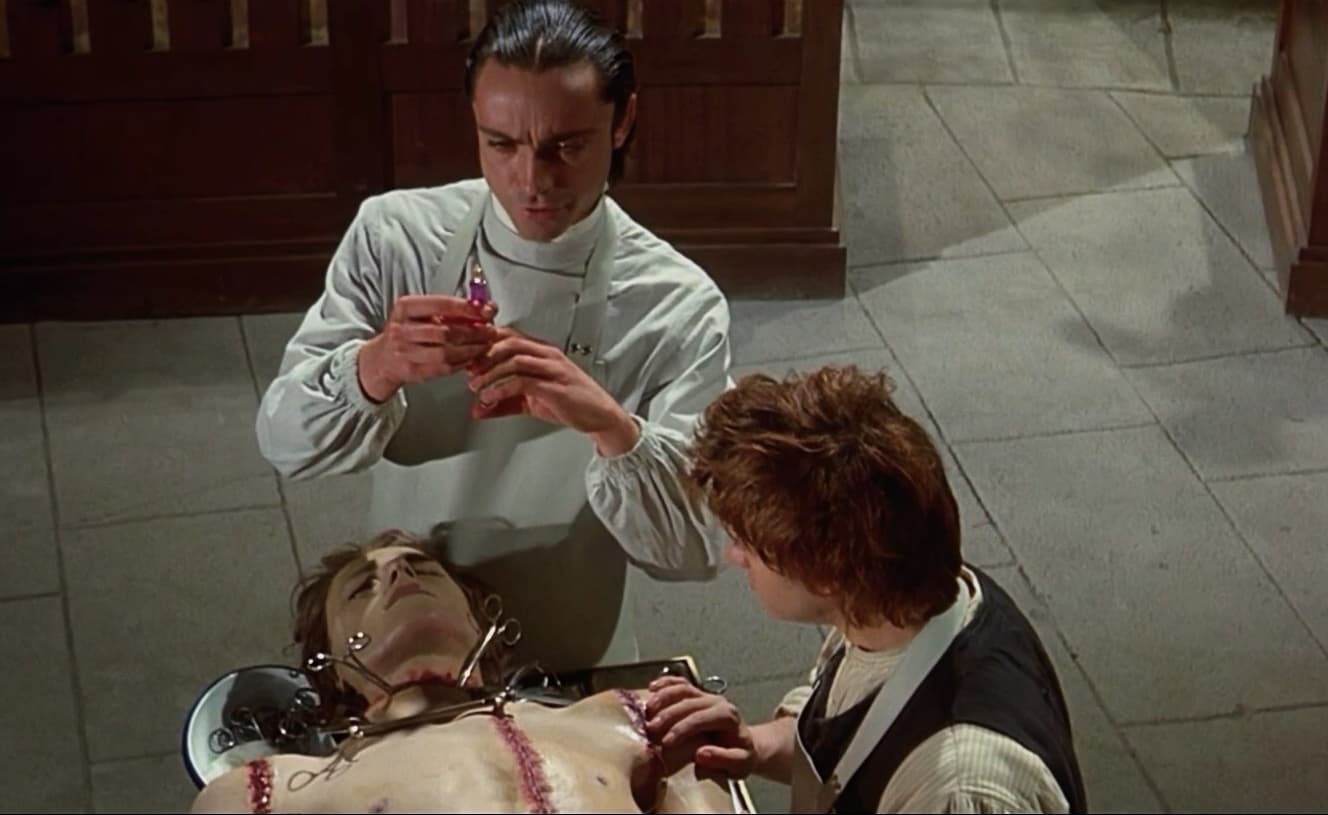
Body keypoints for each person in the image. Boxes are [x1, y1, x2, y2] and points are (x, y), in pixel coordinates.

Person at [253, 0, 731, 673]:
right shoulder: (397, 238)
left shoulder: (676, 304)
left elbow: (694, 549)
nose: (531, 181)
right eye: (501, 144)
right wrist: (374, 367)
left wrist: (611, 426)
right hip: (415, 648)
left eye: (566, 146)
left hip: (569, 643)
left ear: (622, 120)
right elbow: (284, 444)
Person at [644, 366, 1089, 813]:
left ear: (824, 573)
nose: (733, 556)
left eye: (747, 544)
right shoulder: (890, 602)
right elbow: (854, 740)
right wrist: (754, 746)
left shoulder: (959, 792)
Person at [190, 528, 738, 814]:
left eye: (422, 569)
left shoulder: (638, 719)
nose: (399, 575)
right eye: (362, 587)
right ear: (332, 670)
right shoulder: (270, 794)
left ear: (479, 618)